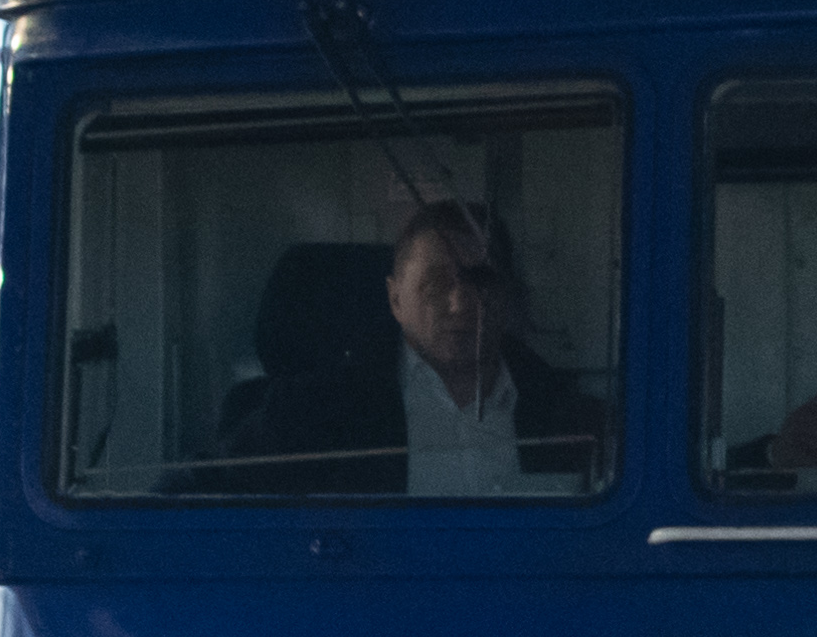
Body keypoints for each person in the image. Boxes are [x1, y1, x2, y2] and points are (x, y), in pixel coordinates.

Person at [212, 198, 608, 495]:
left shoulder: (570, 417)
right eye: (435, 283)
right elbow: (193, 498)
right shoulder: (315, 412)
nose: (460, 303)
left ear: (508, 295)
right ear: (395, 299)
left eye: (481, 281)